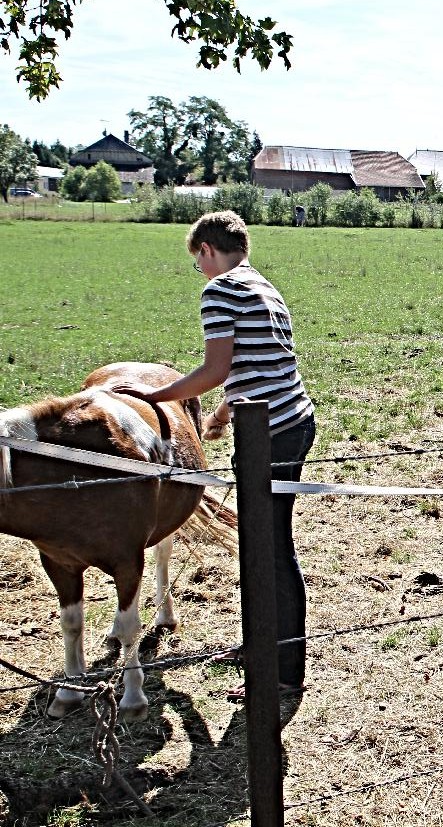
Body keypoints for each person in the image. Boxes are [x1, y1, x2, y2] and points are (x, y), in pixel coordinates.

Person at [112, 209, 316, 698]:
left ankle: (282, 671)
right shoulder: (262, 286)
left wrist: (147, 399)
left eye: (197, 261)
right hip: (291, 418)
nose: (199, 272)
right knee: (264, 544)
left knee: (270, 550)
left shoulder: (219, 290)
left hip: (271, 430)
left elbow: (216, 367)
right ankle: (262, 646)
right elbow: (259, 361)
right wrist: (223, 416)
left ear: (206, 249)